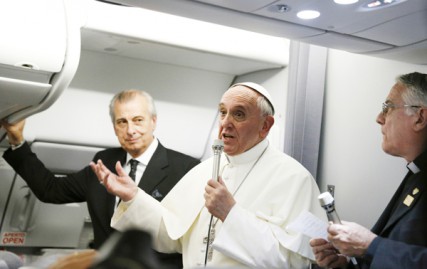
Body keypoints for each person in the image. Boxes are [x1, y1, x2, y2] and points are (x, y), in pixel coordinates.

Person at [91, 82, 326, 268]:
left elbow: (292, 262)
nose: (225, 123)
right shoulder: (206, 168)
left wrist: (231, 213)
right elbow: (172, 237)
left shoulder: (295, 178)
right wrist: (133, 197)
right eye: (222, 112)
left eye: (239, 115)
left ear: (265, 126)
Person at [1, 89, 200, 268]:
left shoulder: (186, 169)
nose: (130, 130)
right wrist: (17, 140)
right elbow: (51, 190)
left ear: (153, 121)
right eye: (122, 122)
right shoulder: (104, 162)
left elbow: (189, 239)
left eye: (138, 120)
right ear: (114, 127)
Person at [310, 72, 427, 269]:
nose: (379, 118)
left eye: (387, 108)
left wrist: (369, 245)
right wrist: (347, 262)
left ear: (420, 118)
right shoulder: (416, 173)